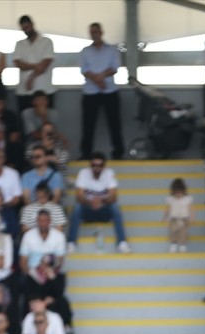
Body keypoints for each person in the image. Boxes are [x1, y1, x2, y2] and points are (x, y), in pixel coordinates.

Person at [79, 23, 124, 161]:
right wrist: (97, 80)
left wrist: (101, 76)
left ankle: (118, 153)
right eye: (92, 32)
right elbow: (84, 70)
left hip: (109, 90)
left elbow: (115, 67)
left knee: (114, 123)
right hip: (90, 92)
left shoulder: (112, 50)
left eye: (96, 31)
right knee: (88, 125)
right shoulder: (85, 51)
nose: (94, 34)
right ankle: (86, 154)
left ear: (101, 32)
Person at [69, 153, 130, 253]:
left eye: (100, 165)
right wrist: (90, 202)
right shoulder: (83, 173)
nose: (97, 168)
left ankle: (122, 243)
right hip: (88, 211)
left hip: (103, 211)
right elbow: (79, 196)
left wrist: (101, 201)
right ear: (90, 165)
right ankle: (71, 243)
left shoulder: (109, 173)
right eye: (94, 165)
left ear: (104, 166)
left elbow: (114, 196)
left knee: (115, 207)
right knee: (77, 207)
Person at [12, 16, 54, 114]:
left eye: (28, 27)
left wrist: (31, 78)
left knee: (46, 123)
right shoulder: (19, 44)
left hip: (44, 90)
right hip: (24, 91)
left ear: (32, 24)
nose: (26, 30)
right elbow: (18, 63)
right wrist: (35, 66)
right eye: (24, 28)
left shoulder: (46, 42)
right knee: (24, 122)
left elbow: (45, 64)